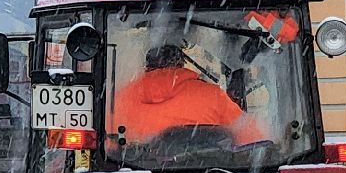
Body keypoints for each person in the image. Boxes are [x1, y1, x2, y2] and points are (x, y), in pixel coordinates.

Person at [111, 43, 266, 147]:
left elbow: (108, 145)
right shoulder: (212, 96)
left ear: (147, 66)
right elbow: (252, 139)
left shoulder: (122, 100)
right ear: (181, 64)